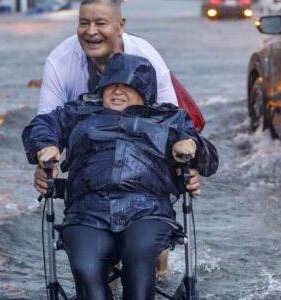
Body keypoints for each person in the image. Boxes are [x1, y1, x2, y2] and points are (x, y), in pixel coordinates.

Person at [22, 54, 219, 300]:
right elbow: (40, 125)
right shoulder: (79, 113)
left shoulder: (170, 119)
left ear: (145, 91)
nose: (117, 91)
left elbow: (211, 162)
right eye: (112, 84)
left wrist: (193, 145)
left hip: (147, 209)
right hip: (87, 211)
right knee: (86, 267)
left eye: (128, 85)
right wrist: (45, 146)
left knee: (139, 256)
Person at [33, 0, 204, 197]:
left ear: (121, 25)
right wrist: (46, 157)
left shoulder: (146, 58)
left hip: (142, 170)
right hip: (90, 165)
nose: (91, 31)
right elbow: (46, 125)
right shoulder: (60, 62)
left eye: (100, 23)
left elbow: (173, 123)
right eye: (83, 23)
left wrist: (187, 165)